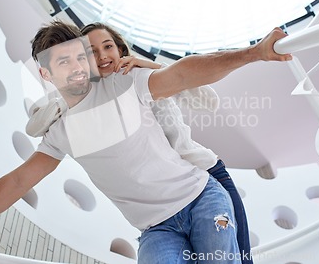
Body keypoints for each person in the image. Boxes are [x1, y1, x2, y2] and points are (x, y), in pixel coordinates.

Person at [0, 21, 291, 263]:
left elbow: (185, 71)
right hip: (157, 230)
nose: (77, 67)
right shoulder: (60, 131)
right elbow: (17, 182)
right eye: (63, 63)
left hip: (201, 198)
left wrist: (255, 53)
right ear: (46, 73)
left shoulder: (126, 84)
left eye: (80, 57)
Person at [26, 22, 253, 263]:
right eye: (92, 52)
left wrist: (154, 66)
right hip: (166, 204)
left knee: (238, 257)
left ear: (120, 50)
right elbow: (35, 123)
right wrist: (64, 105)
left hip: (206, 174)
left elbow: (208, 100)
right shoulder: (91, 96)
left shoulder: (140, 77)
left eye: (108, 46)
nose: (102, 56)